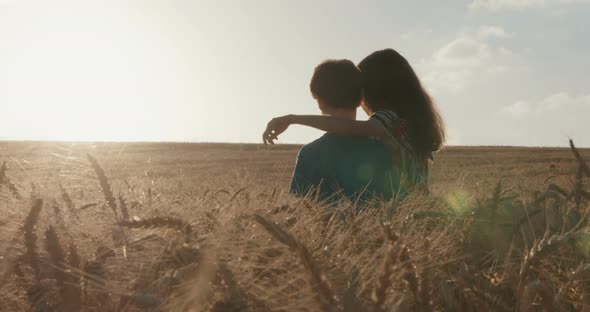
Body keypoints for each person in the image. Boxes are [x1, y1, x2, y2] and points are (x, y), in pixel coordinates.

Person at [263, 49, 445, 192]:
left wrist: (292, 119)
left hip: (404, 213)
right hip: (419, 212)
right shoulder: (410, 126)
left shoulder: (387, 121)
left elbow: (347, 126)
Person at [266, 59, 399, 202]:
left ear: (320, 102)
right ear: (361, 97)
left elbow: (299, 209)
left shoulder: (309, 154)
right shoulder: (384, 150)